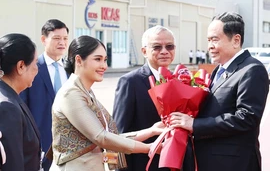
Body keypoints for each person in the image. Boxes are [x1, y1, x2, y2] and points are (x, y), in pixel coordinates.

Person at [169, 12, 269, 171]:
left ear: (236, 40)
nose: (210, 46)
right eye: (208, 40)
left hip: (234, 164)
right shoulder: (218, 70)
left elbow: (246, 118)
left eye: (215, 39)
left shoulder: (252, 69)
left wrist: (195, 124)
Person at [49, 35, 165, 171]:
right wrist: (148, 148)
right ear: (79, 60)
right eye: (98, 59)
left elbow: (110, 136)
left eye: (105, 60)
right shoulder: (71, 94)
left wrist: (151, 131)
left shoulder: (85, 92)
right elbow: (101, 137)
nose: (104, 66)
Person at [112, 25, 174, 171]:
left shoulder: (180, 80)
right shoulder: (130, 82)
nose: (164, 51)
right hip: (143, 164)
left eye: (169, 46)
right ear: (144, 51)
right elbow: (120, 134)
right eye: (157, 47)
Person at [20, 19, 69, 170]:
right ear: (43, 39)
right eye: (56, 38)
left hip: (68, 148)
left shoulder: (70, 68)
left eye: (65, 38)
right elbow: (23, 108)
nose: (62, 42)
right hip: (40, 146)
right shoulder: (32, 68)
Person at [0, 33, 42, 170]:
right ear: (21, 66)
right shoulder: (7, 107)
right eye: (35, 63)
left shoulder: (10, 96)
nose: (37, 69)